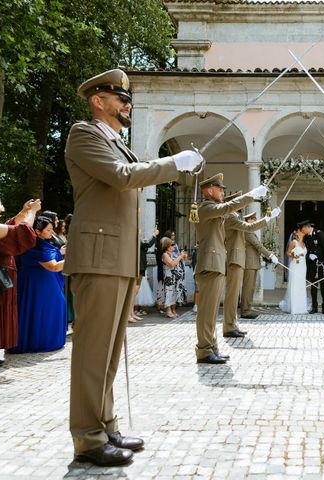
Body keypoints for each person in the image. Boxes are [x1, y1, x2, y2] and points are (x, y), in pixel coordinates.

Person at [65, 68, 203, 466]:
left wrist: (172, 165)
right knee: (93, 351)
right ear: (98, 101)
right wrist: (173, 163)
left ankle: (106, 425)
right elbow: (122, 177)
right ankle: (87, 438)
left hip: (118, 257)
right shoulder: (84, 134)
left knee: (109, 351)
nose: (127, 104)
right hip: (99, 256)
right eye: (120, 98)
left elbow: (129, 174)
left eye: (128, 100)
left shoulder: (117, 144)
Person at [195, 173, 269, 364]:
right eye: (219, 189)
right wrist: (251, 195)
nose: (222, 191)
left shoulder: (215, 211)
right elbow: (227, 207)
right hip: (210, 265)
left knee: (211, 313)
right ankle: (204, 350)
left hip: (217, 264)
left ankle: (211, 348)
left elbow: (227, 207)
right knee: (207, 312)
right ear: (210, 190)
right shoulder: (206, 208)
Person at [0, 196, 40, 369]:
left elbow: (9, 227)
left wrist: (23, 212)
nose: (2, 209)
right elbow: (20, 232)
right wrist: (32, 212)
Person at [8, 216, 67, 353]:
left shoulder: (44, 243)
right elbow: (53, 267)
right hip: (36, 285)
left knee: (50, 309)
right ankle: (38, 342)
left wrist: (61, 252)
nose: (52, 232)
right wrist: (75, 256)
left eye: (52, 229)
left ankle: (46, 340)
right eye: (48, 230)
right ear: (37, 231)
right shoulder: (33, 247)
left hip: (47, 282)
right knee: (39, 310)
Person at [223, 193, 278, 338]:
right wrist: (268, 218)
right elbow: (255, 239)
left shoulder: (234, 217)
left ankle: (232, 325)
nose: (242, 205)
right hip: (237, 259)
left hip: (241, 259)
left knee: (239, 292)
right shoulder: (231, 217)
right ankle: (235, 320)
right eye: (239, 202)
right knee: (237, 292)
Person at [241, 211, 277, 319]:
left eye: (255, 219)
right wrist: (270, 255)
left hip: (253, 263)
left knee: (251, 288)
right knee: (248, 288)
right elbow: (258, 246)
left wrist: (269, 253)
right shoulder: (247, 231)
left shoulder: (251, 232)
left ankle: (247, 309)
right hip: (249, 263)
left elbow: (258, 247)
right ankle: (245, 311)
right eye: (253, 219)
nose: (255, 221)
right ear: (249, 220)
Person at [280, 222, 309, 314]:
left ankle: (301, 307)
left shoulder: (303, 244)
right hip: (295, 265)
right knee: (295, 285)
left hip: (303, 266)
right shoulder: (294, 242)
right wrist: (293, 256)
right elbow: (287, 253)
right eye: (301, 232)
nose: (302, 233)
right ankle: (294, 307)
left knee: (301, 285)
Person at [303, 222, 324, 314]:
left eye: (304, 228)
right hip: (312, 265)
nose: (303, 231)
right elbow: (305, 250)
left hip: (321, 265)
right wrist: (309, 255)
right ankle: (314, 306)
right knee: (313, 286)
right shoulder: (306, 237)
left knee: (323, 286)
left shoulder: (320, 234)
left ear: (308, 227)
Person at [160, 236, 189, 319]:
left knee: (175, 292)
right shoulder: (165, 255)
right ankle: (168, 311)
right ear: (167, 246)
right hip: (169, 277)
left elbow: (184, 262)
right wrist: (180, 256)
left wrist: (184, 256)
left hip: (177, 277)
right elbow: (172, 264)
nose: (174, 246)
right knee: (169, 292)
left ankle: (173, 310)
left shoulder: (175, 254)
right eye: (172, 245)